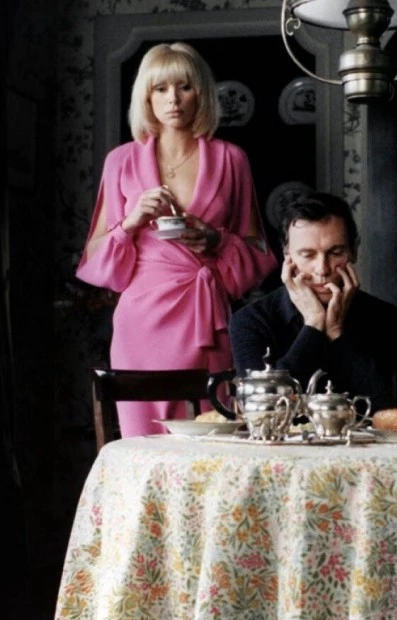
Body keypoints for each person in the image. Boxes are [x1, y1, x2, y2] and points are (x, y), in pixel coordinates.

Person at [76, 42, 277, 437]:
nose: (173, 99)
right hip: (140, 325)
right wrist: (131, 222)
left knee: (211, 439)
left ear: (200, 93)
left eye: (184, 87)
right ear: (146, 97)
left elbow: (258, 253)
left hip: (206, 320)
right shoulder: (121, 161)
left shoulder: (231, 159)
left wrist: (216, 239)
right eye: (161, 88)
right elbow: (94, 257)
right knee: (143, 446)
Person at [229, 192, 397, 412]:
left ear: (354, 251)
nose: (322, 269)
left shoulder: (389, 319)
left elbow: (395, 412)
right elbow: (263, 409)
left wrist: (336, 333)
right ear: (287, 255)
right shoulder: (250, 321)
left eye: (335, 252)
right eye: (307, 255)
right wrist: (314, 325)